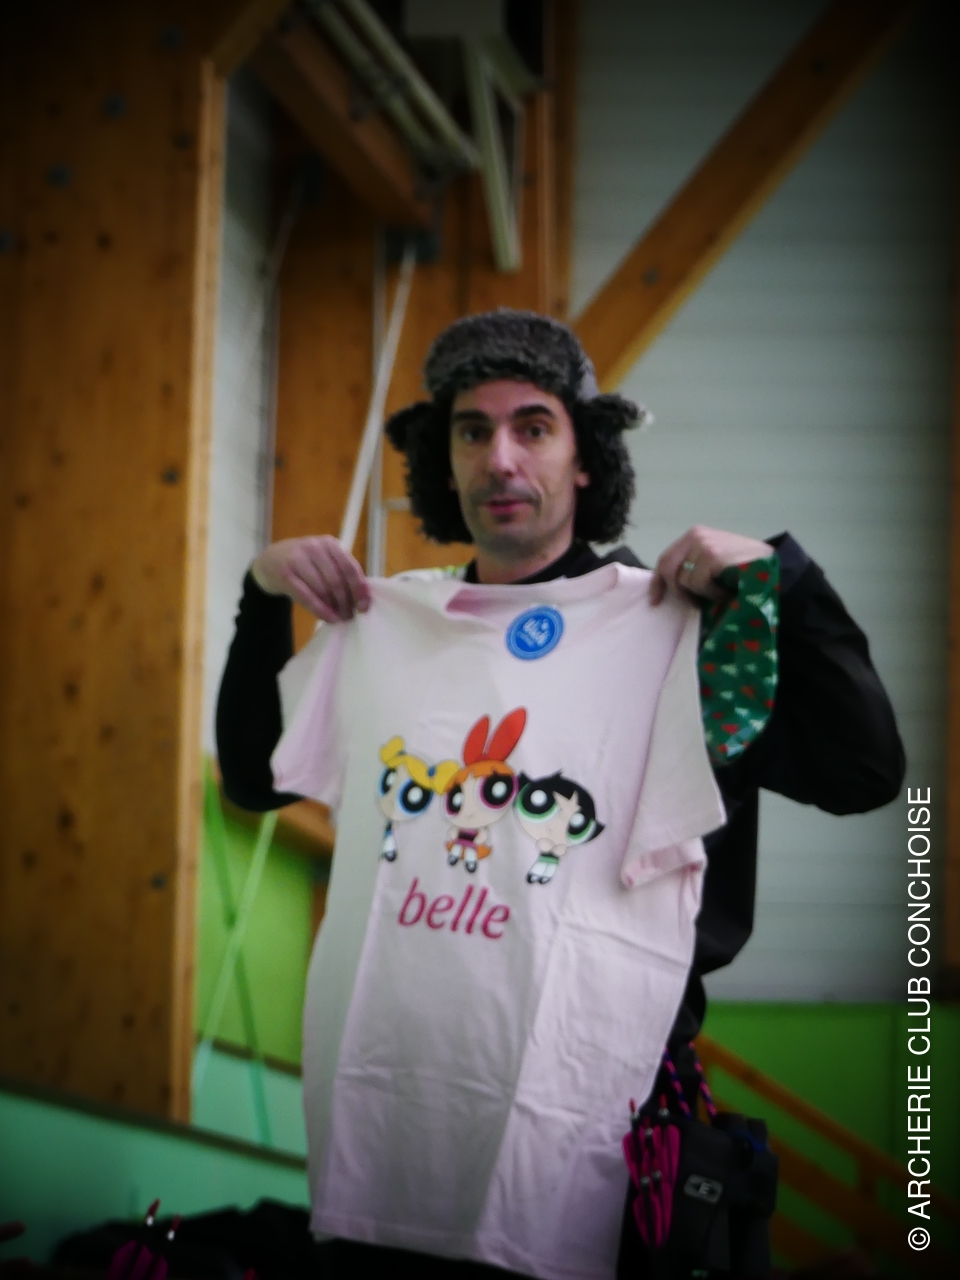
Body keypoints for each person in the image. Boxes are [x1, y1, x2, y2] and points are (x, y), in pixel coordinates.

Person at [216, 311, 904, 1278]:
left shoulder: (678, 636)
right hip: (397, 1139)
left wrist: (783, 580)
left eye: (533, 427)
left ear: (586, 460)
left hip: (597, 1136)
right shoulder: (392, 625)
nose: (500, 459)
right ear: (444, 461)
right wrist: (260, 594)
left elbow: (865, 773)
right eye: (472, 431)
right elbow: (254, 778)